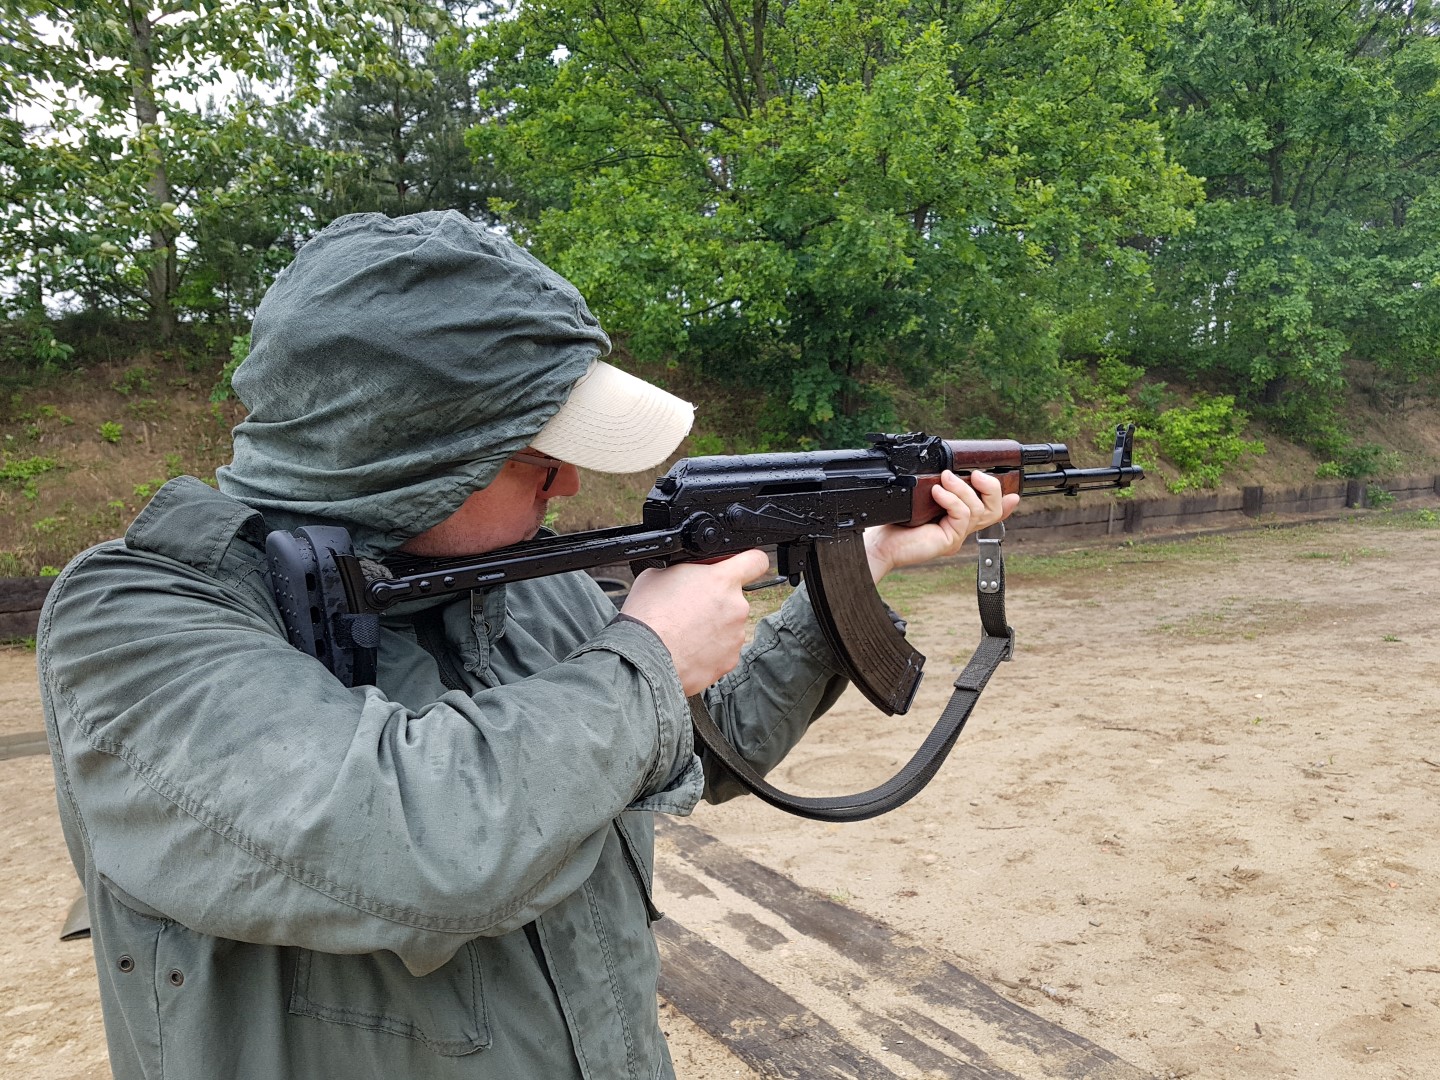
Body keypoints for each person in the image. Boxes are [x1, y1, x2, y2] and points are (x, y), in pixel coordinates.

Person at [37, 210, 1016, 1080]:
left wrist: (855, 569)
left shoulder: (527, 587)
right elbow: (410, 847)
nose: (568, 488)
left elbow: (709, 747)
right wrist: (646, 657)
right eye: (537, 460)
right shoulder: (134, 620)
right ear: (405, 457)